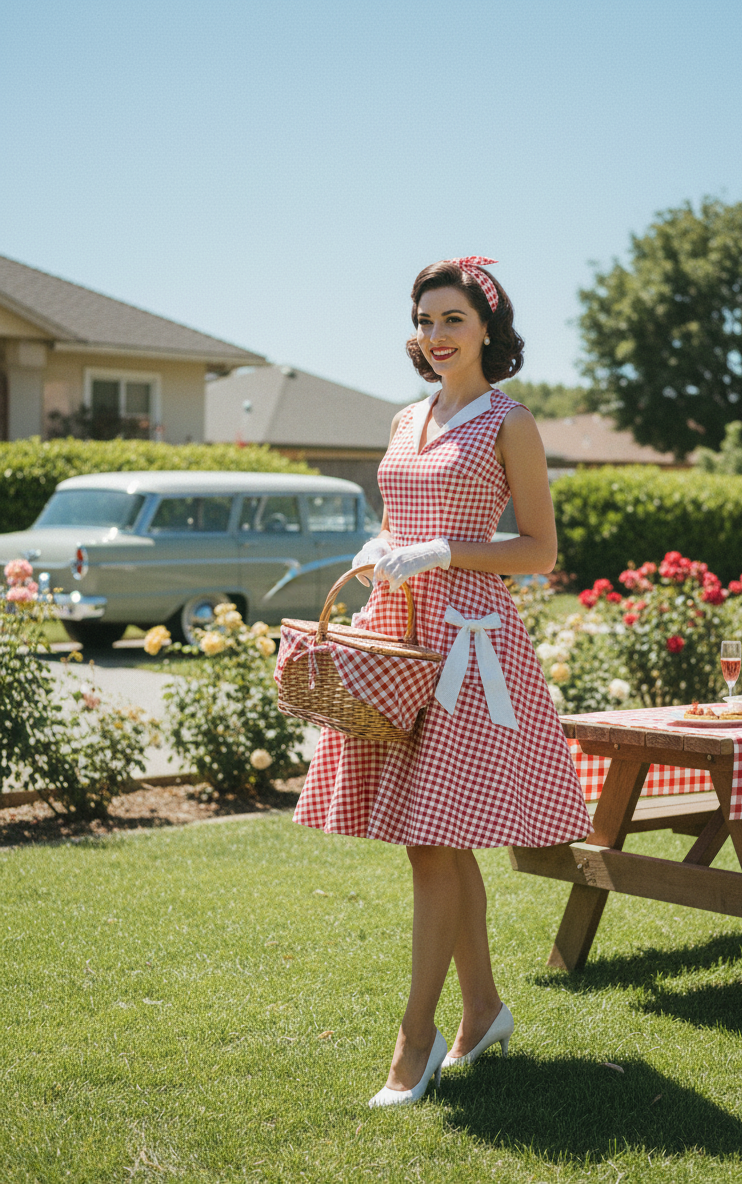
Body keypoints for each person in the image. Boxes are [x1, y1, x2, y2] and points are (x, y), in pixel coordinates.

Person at [290, 256, 590, 1107]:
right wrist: (381, 547)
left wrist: (447, 549)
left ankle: (415, 1041)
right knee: (440, 837)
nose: (436, 334)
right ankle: (485, 1008)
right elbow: (397, 518)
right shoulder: (403, 418)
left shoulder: (510, 421)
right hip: (398, 633)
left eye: (453, 318)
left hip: (470, 648)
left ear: (487, 328)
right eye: (425, 320)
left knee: (432, 837)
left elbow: (537, 551)